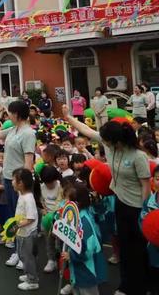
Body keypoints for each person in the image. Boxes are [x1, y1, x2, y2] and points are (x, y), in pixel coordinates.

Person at [62, 105, 151, 295]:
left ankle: (140, 287)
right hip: (120, 203)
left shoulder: (138, 156)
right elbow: (86, 130)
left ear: (118, 140)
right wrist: (68, 117)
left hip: (136, 208)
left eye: (107, 141)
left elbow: (145, 185)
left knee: (137, 249)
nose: (104, 144)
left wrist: (144, 211)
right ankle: (126, 285)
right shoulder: (112, 148)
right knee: (125, 247)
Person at [0, 100, 35, 268]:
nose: (8, 115)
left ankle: (25, 255)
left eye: (10, 113)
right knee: (14, 216)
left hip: (19, 182)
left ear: (17, 114)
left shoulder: (28, 133)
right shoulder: (13, 130)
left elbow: (28, 162)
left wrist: (23, 185)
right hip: (9, 180)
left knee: (22, 218)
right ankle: (17, 252)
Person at [61, 182, 107, 295]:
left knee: (87, 291)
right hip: (77, 269)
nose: (64, 203)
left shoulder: (84, 223)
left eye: (67, 200)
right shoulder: (74, 217)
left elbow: (87, 250)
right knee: (77, 289)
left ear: (77, 203)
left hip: (86, 270)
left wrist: (71, 256)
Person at [12, 168, 39, 291]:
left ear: (21, 183)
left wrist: (17, 225)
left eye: (13, 179)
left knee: (28, 258)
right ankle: (28, 275)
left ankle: (33, 280)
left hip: (28, 233)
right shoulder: (22, 194)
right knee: (23, 255)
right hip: (22, 232)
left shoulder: (28, 199)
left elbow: (31, 218)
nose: (11, 182)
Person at [40, 165, 63, 273]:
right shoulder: (41, 187)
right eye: (46, 183)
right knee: (48, 240)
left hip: (58, 217)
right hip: (46, 218)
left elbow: (61, 202)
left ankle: (61, 261)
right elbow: (41, 200)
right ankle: (51, 260)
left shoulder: (60, 187)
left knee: (60, 241)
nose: (48, 185)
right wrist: (43, 210)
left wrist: (54, 216)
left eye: (51, 182)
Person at [140, 165, 159, 294]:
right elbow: (142, 219)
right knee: (154, 273)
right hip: (152, 247)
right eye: (158, 178)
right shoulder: (149, 201)